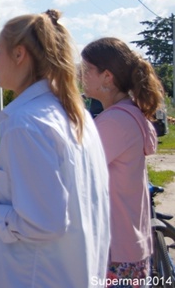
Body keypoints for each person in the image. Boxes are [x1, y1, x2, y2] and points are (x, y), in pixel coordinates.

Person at [0, 9, 111, 287]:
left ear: (19, 54)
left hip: (36, 276)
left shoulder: (27, 123)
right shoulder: (74, 116)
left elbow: (45, 222)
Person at [81, 37, 164, 286]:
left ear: (107, 76)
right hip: (129, 243)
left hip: (115, 249)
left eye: (87, 70)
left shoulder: (114, 123)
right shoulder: (128, 114)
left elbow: (76, 173)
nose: (81, 76)